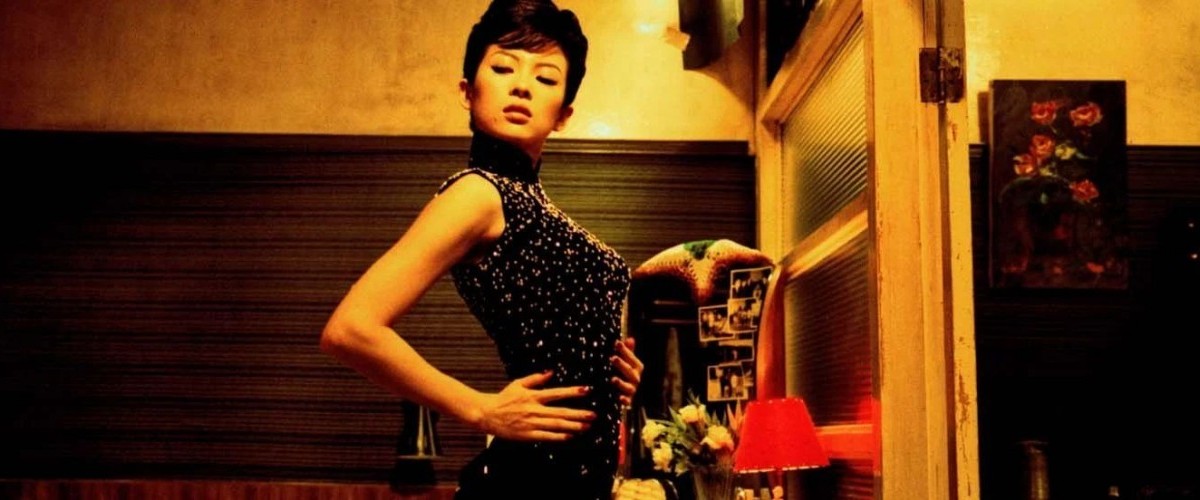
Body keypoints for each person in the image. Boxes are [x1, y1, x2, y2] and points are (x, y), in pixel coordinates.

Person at [320, 1, 643, 498]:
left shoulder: (532, 203)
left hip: (577, 479)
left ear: (564, 115)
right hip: (530, 481)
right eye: (503, 68)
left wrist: (613, 370)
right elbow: (349, 330)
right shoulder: (477, 193)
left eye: (546, 78)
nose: (522, 86)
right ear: (467, 92)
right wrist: (479, 408)